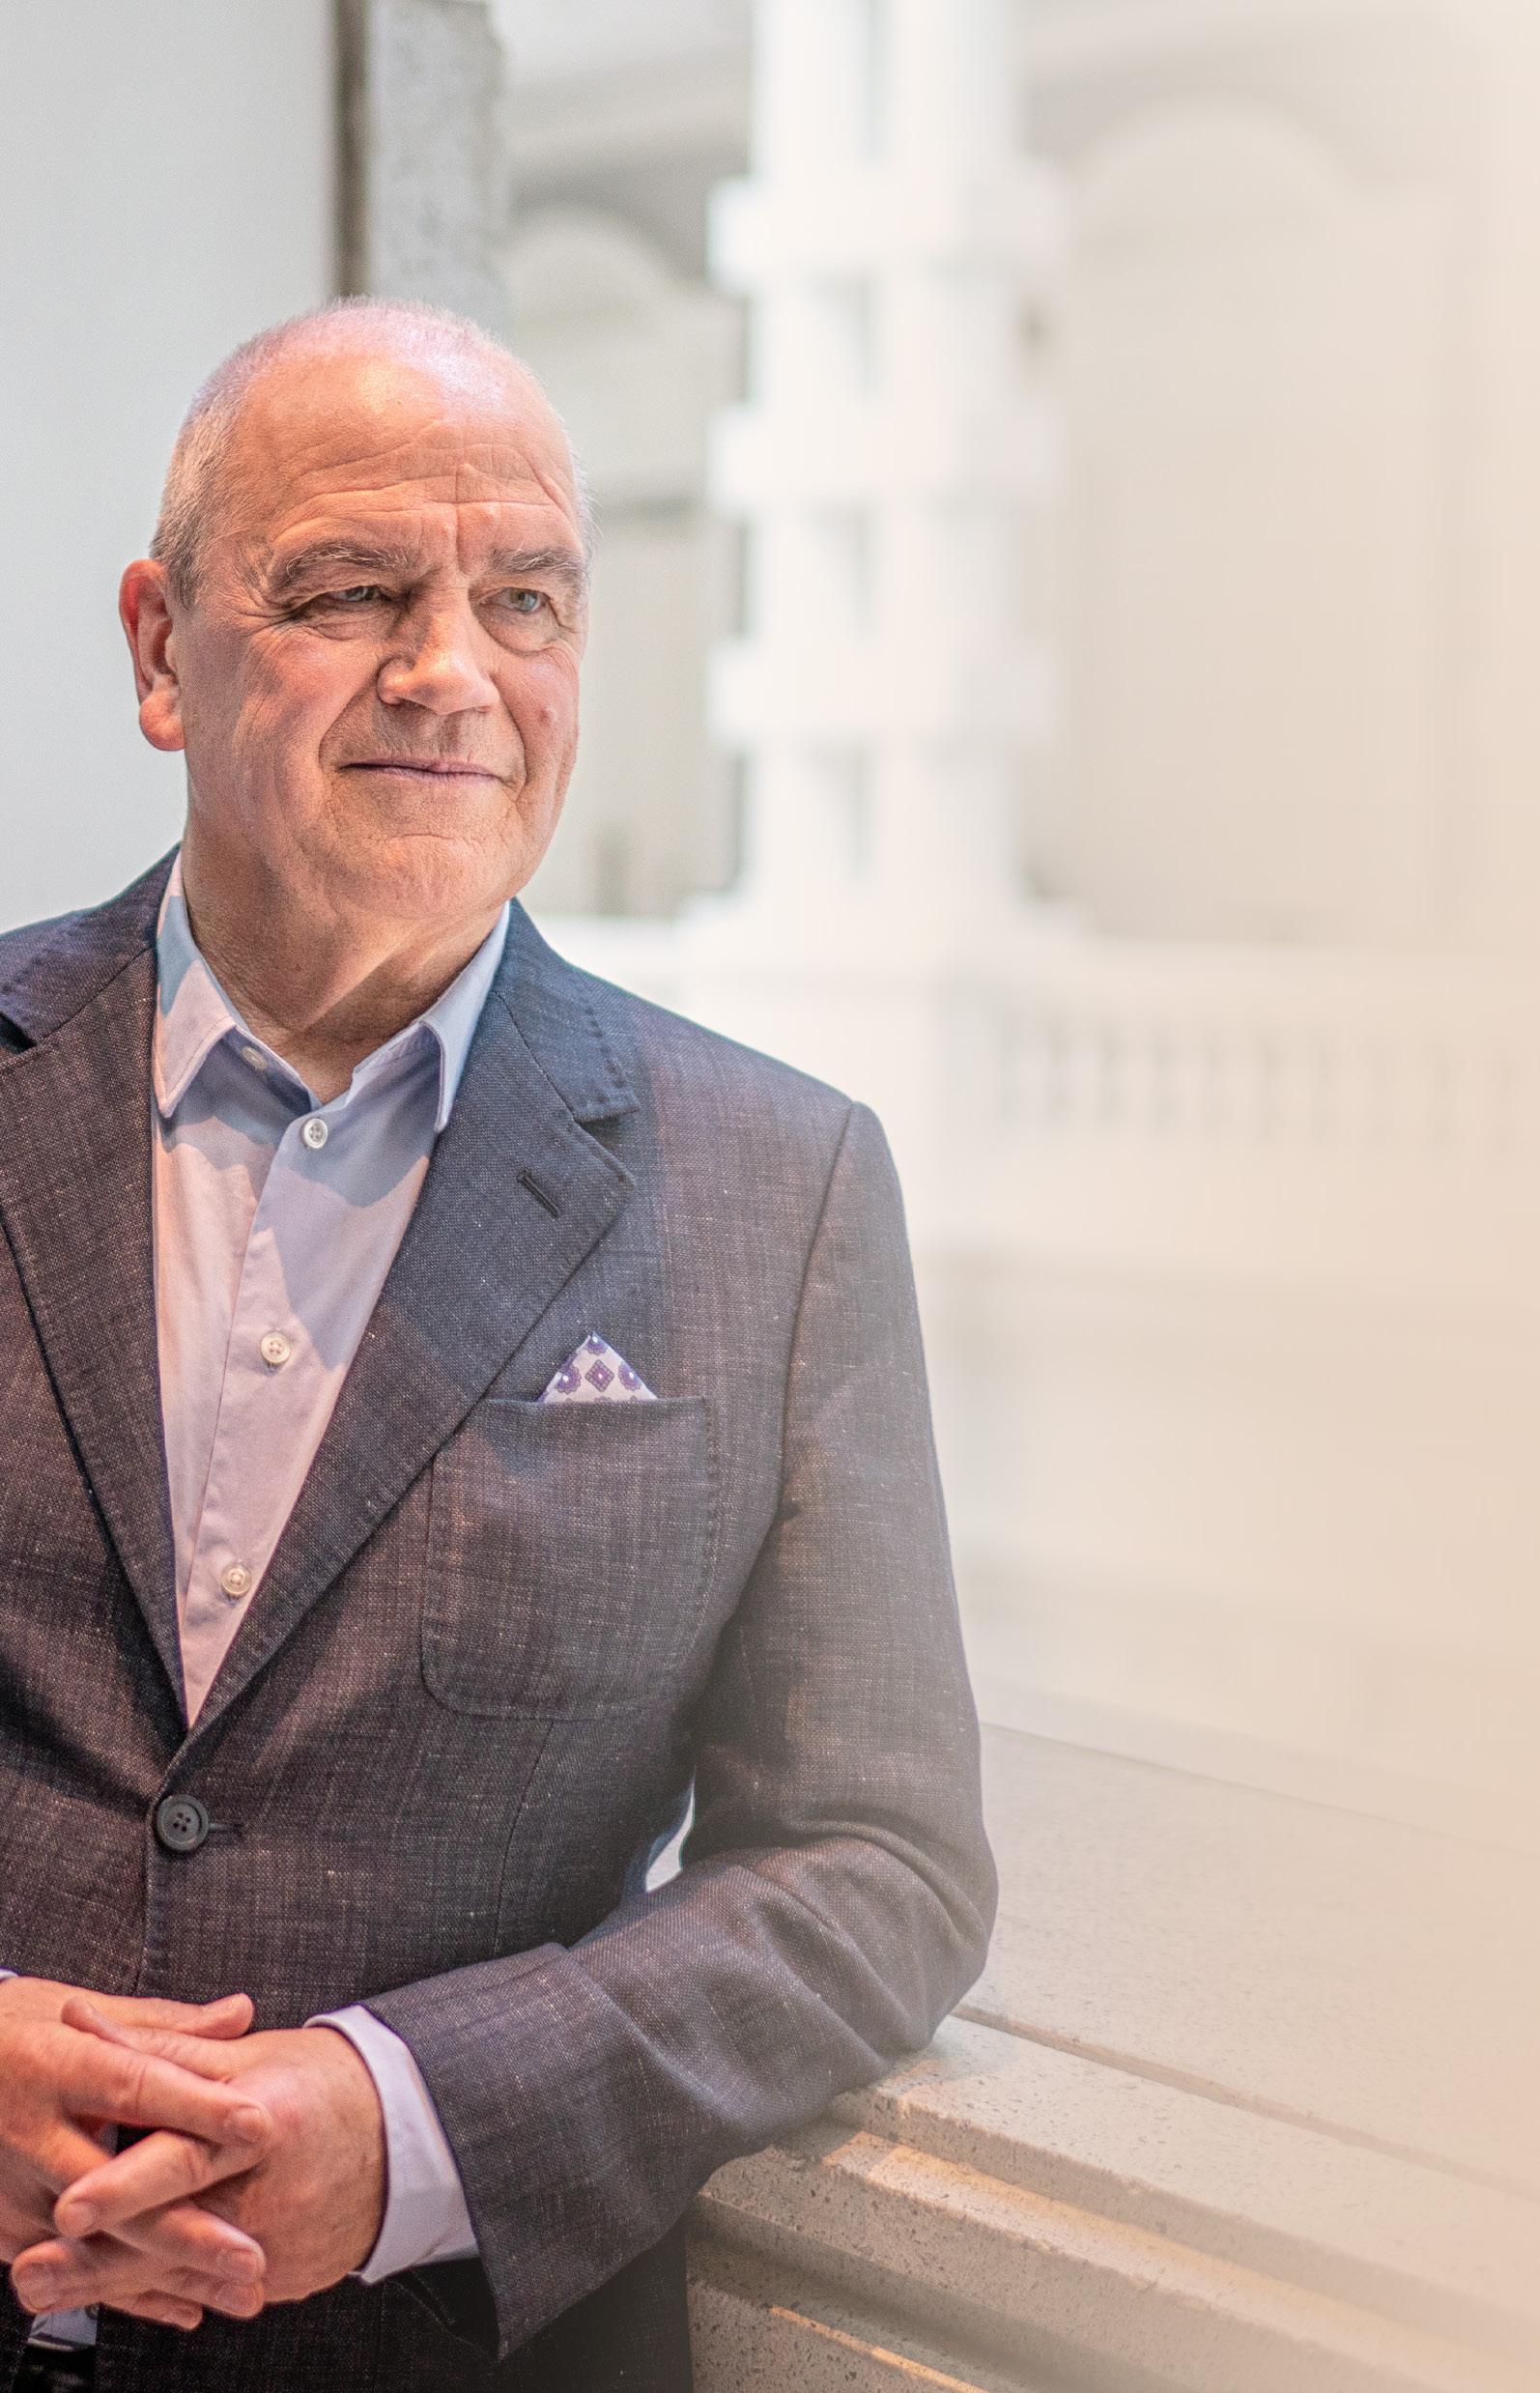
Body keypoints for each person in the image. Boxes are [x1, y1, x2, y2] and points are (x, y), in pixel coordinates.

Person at [0, 299, 994, 2391]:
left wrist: (417, 2120)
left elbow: (877, 1863)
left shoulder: (779, 1189)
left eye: (523, 599)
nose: (449, 668)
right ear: (162, 651)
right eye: (350, 591)